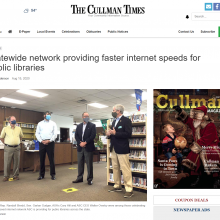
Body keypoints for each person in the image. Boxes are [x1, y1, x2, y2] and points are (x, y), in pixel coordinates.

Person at [174, 105, 220, 188]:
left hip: (210, 145)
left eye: (195, 118)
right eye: (193, 118)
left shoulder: (210, 125)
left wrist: (191, 148)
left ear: (202, 117)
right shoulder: (195, 122)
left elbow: (206, 140)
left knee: (210, 154)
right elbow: (187, 119)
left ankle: (216, 178)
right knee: (194, 154)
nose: (193, 120)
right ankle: (196, 177)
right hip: (199, 145)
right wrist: (180, 111)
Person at [106, 104, 133, 198]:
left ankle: (129, 189)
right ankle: (117, 185)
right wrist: (109, 134)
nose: (112, 111)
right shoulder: (114, 121)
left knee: (125, 168)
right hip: (113, 148)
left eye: (113, 110)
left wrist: (116, 133)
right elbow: (112, 134)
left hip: (122, 148)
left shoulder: (126, 120)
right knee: (115, 168)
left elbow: (128, 134)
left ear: (118, 111)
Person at [72, 112, 96, 185]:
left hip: (88, 147)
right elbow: (76, 136)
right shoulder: (79, 126)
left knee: (89, 164)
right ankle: (79, 178)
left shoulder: (92, 125)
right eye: (85, 116)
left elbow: (93, 136)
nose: (87, 117)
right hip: (80, 147)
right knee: (80, 163)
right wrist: (80, 143)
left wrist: (85, 142)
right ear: (82, 117)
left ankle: (89, 179)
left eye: (88, 116)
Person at [0, 116, 24, 182]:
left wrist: (17, 142)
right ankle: (6, 176)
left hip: (17, 148)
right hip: (8, 148)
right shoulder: (5, 128)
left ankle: (16, 176)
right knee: (7, 163)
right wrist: (6, 143)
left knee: (16, 163)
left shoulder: (19, 128)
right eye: (13, 120)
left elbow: (21, 137)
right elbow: (1, 137)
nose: (14, 121)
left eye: (15, 120)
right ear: (9, 121)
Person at [35, 111, 57, 180]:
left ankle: (53, 175)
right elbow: (37, 134)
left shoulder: (53, 123)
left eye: (49, 115)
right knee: (42, 159)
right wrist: (41, 141)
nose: (49, 116)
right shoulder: (40, 123)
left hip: (50, 142)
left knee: (51, 159)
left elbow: (55, 134)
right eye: (47, 115)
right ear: (44, 115)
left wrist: (49, 140)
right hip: (42, 142)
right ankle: (41, 175)